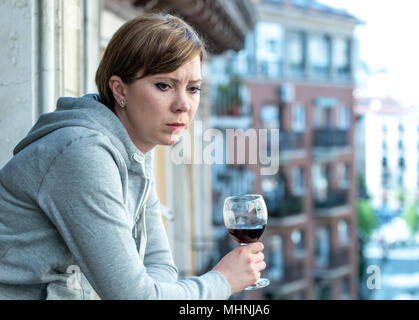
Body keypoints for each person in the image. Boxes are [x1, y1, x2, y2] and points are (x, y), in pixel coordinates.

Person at [0, 13, 266, 300]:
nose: (183, 105)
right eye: (164, 85)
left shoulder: (134, 148)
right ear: (119, 89)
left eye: (193, 88)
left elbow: (159, 264)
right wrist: (223, 281)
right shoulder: (82, 153)